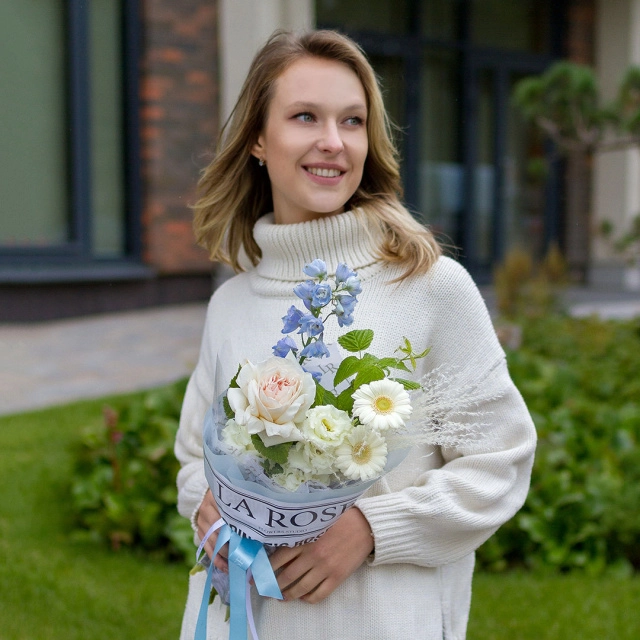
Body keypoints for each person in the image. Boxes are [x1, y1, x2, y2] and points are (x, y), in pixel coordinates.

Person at [175, 29, 536, 640]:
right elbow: (194, 456)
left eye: (352, 121)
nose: (333, 142)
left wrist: (371, 531)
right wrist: (207, 513)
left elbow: (500, 462)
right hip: (241, 619)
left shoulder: (430, 286)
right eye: (305, 117)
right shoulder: (231, 303)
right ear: (258, 139)